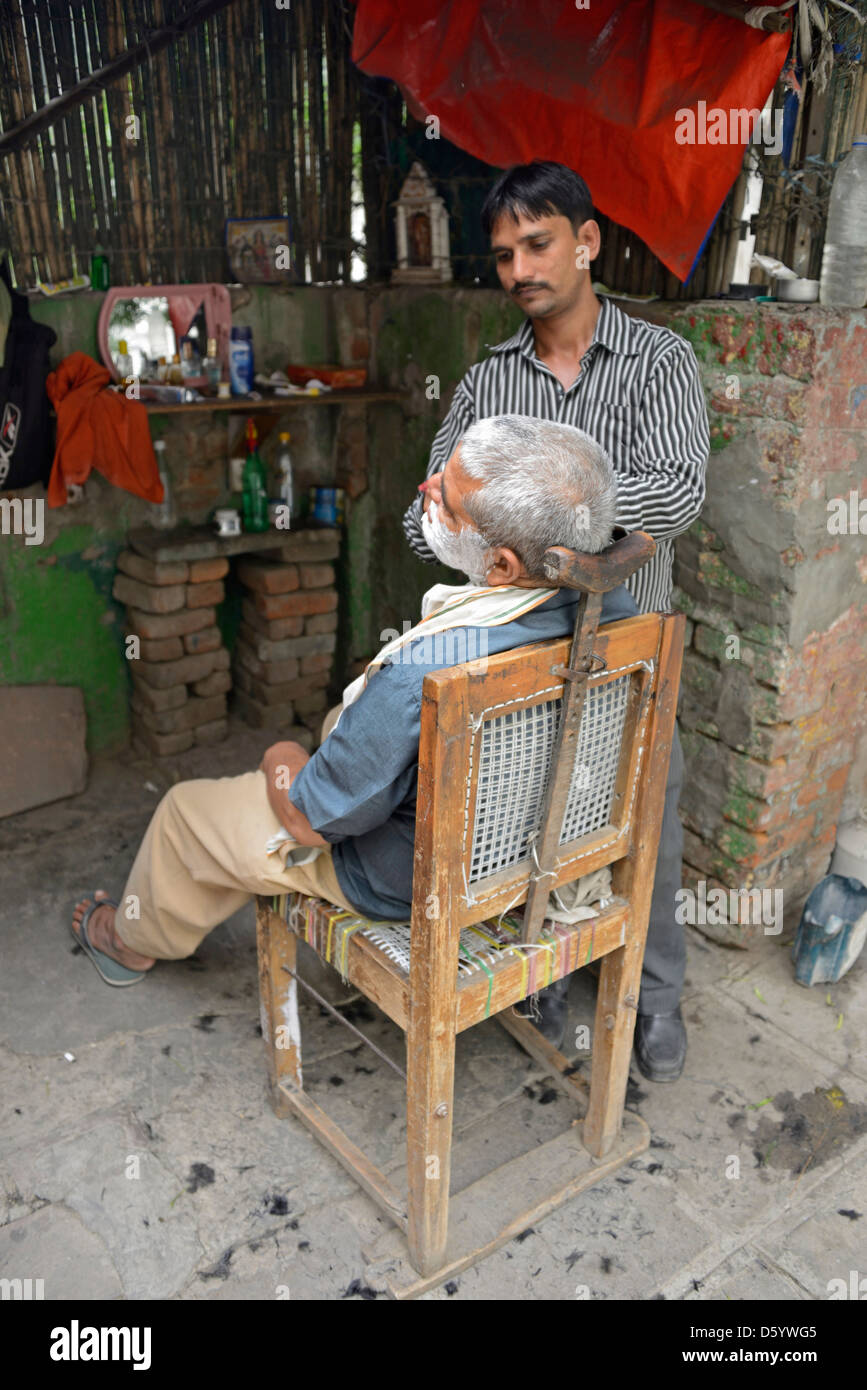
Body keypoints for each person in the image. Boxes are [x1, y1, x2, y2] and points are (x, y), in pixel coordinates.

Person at [71, 418, 640, 1045]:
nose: (425, 487)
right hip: (538, 853)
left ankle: (126, 941)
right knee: (341, 732)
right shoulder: (624, 621)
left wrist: (280, 757)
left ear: (502, 565)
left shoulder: (426, 670)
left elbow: (307, 824)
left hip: (410, 880)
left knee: (186, 812)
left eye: (444, 497)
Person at [402, 161, 710, 1081]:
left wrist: (534, 510)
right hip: (518, 642)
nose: (519, 269)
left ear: (586, 240)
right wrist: (494, 517)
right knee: (528, 815)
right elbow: (433, 520)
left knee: (642, 816)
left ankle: (654, 997)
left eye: (537, 244)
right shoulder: (487, 381)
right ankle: (538, 974)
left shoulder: (658, 361)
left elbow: (679, 491)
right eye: (503, 256)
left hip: (626, 643)